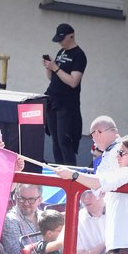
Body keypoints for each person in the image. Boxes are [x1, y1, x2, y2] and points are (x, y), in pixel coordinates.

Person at [55, 132, 128, 254]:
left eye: (122, 153)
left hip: (123, 249)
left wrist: (72, 174)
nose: (117, 156)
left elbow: (101, 183)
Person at [42, 23, 87, 166]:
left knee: (64, 141)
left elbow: (73, 81)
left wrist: (55, 67)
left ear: (71, 36)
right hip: (53, 100)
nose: (60, 43)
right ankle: (59, 171)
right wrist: (49, 67)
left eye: (62, 39)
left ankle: (70, 173)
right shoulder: (61, 52)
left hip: (67, 104)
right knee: (55, 140)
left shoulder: (79, 55)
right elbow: (53, 78)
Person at [0, 183, 43, 254]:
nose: (26, 203)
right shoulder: (10, 220)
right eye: (22, 199)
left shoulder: (45, 216)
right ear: (15, 197)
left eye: (31, 199)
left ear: (40, 200)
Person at [77, 189, 106, 254]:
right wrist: (107, 243)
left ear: (103, 193)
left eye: (90, 193)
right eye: (82, 194)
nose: (85, 199)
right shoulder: (76, 219)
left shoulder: (117, 213)